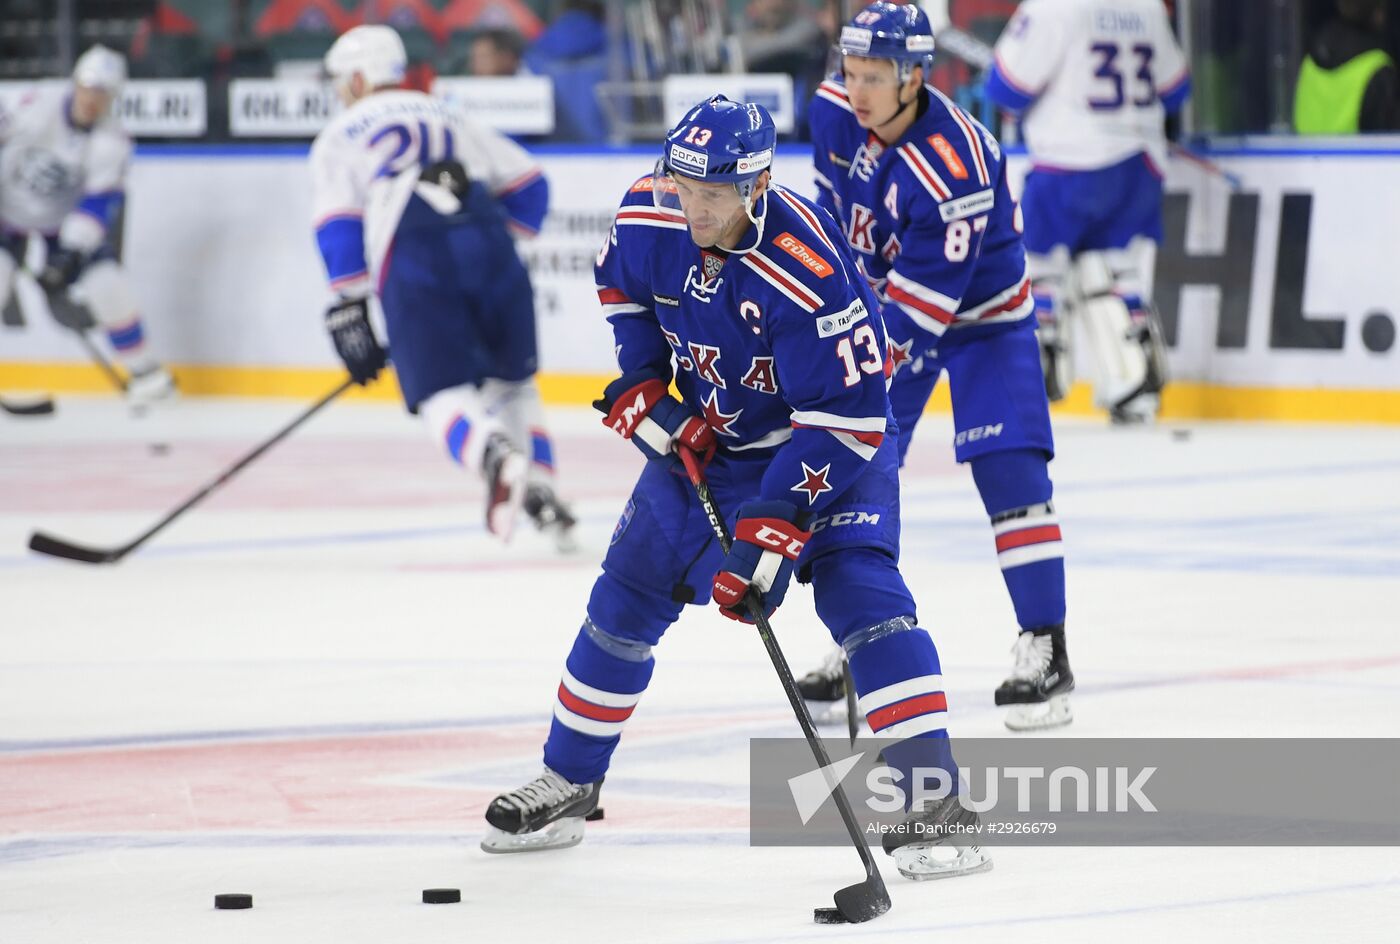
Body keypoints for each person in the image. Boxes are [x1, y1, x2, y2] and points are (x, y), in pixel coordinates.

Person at [480, 95, 991, 882]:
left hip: (829, 444)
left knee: (864, 597)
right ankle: (572, 777)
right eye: (686, 188)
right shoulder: (653, 214)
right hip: (716, 447)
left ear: (756, 187)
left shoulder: (809, 272)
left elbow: (852, 419)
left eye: (714, 195)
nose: (695, 209)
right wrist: (647, 384)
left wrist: (775, 524)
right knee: (624, 597)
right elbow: (625, 295)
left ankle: (936, 802)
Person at [801, 2, 1073, 732]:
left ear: (915, 76)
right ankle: (857, 638)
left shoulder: (955, 165)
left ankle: (1047, 648)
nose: (856, 90)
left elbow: (919, 320)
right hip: (887, 304)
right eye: (850, 72)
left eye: (874, 76)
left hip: (980, 321)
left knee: (1012, 475)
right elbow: (831, 228)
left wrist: (841, 376)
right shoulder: (831, 112)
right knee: (858, 470)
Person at [310, 24, 575, 546]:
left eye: (343, 80)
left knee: (437, 394)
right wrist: (494, 243)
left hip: (416, 259)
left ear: (360, 79)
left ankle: (493, 455)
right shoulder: (450, 112)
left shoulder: (339, 134)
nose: (340, 91)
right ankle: (546, 497)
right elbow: (531, 187)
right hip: (489, 247)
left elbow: (338, 226)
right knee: (514, 385)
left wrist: (350, 306)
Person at [985, 0, 1188, 424]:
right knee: (1120, 272)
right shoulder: (1148, 6)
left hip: (1068, 162)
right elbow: (1176, 90)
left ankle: (1034, 391)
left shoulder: (1051, 8)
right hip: (1139, 164)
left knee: (1038, 271)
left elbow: (1006, 89)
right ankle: (1133, 388)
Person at [0, 45, 176, 410]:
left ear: (114, 97)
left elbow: (97, 203)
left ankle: (145, 373)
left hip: (60, 221)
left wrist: (67, 255)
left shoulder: (112, 141)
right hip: (6, 209)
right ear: (75, 83)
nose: (92, 100)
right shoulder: (35, 104)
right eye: (88, 88)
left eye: (102, 93)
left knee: (107, 284)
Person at [1295, 0, 1400, 133]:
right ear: (1379, 12)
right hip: (1354, 153)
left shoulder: (1311, 56)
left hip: (1303, 153)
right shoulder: (1377, 68)